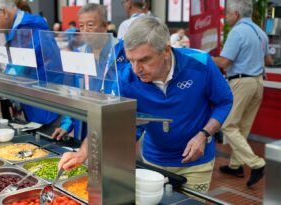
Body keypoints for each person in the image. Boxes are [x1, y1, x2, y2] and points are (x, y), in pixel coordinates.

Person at [59, 16, 234, 193]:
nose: (136, 69)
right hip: (153, 161)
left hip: (196, 164)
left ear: (166, 51)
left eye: (144, 60)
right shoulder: (126, 79)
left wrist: (203, 135)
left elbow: (225, 101)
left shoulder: (201, 63)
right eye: (131, 60)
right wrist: (84, 151)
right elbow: (109, 120)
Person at [212, 0, 272, 187]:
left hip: (241, 82)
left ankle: (257, 163)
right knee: (243, 126)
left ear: (236, 14)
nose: (226, 17)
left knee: (228, 124)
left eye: (228, 14)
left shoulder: (237, 31)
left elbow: (223, 63)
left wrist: (203, 56)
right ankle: (235, 165)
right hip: (258, 83)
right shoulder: (261, 32)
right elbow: (268, 60)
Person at [0, 0, 60, 126]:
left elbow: (17, 67)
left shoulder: (27, 28)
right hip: (35, 100)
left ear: (4, 12)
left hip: (46, 104)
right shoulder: (17, 28)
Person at [51, 3, 117, 141]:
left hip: (111, 124)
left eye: (90, 25)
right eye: (81, 26)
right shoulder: (79, 55)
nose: (85, 30)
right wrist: (66, 124)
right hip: (84, 124)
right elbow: (73, 93)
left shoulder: (119, 55)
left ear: (105, 26)